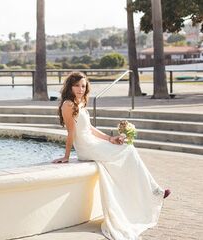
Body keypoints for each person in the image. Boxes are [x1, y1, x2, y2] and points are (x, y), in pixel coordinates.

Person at [52, 72, 170, 240]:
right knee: (127, 151)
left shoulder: (80, 102)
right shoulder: (68, 105)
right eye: (77, 85)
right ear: (70, 86)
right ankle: (154, 191)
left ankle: (151, 191)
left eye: (83, 86)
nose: (80, 89)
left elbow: (90, 128)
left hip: (93, 142)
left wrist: (110, 138)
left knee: (127, 148)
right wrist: (66, 156)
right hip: (87, 147)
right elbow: (71, 133)